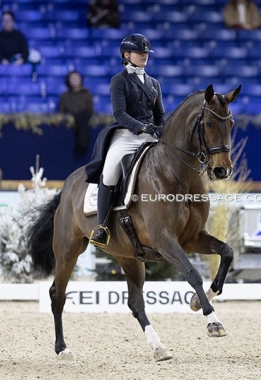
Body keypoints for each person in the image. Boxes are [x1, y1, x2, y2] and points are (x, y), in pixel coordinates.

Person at [85, 33, 166, 249]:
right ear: (126, 54)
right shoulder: (119, 80)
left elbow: (160, 116)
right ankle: (102, 227)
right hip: (127, 135)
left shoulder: (154, 83)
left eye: (146, 52)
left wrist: (163, 129)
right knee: (110, 172)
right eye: (140, 52)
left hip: (150, 136)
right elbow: (119, 114)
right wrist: (140, 126)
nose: (144, 55)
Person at [59, 71, 95, 156]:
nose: (75, 80)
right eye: (72, 78)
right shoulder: (64, 96)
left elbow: (90, 110)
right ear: (68, 80)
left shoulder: (86, 94)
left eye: (76, 78)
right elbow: (61, 112)